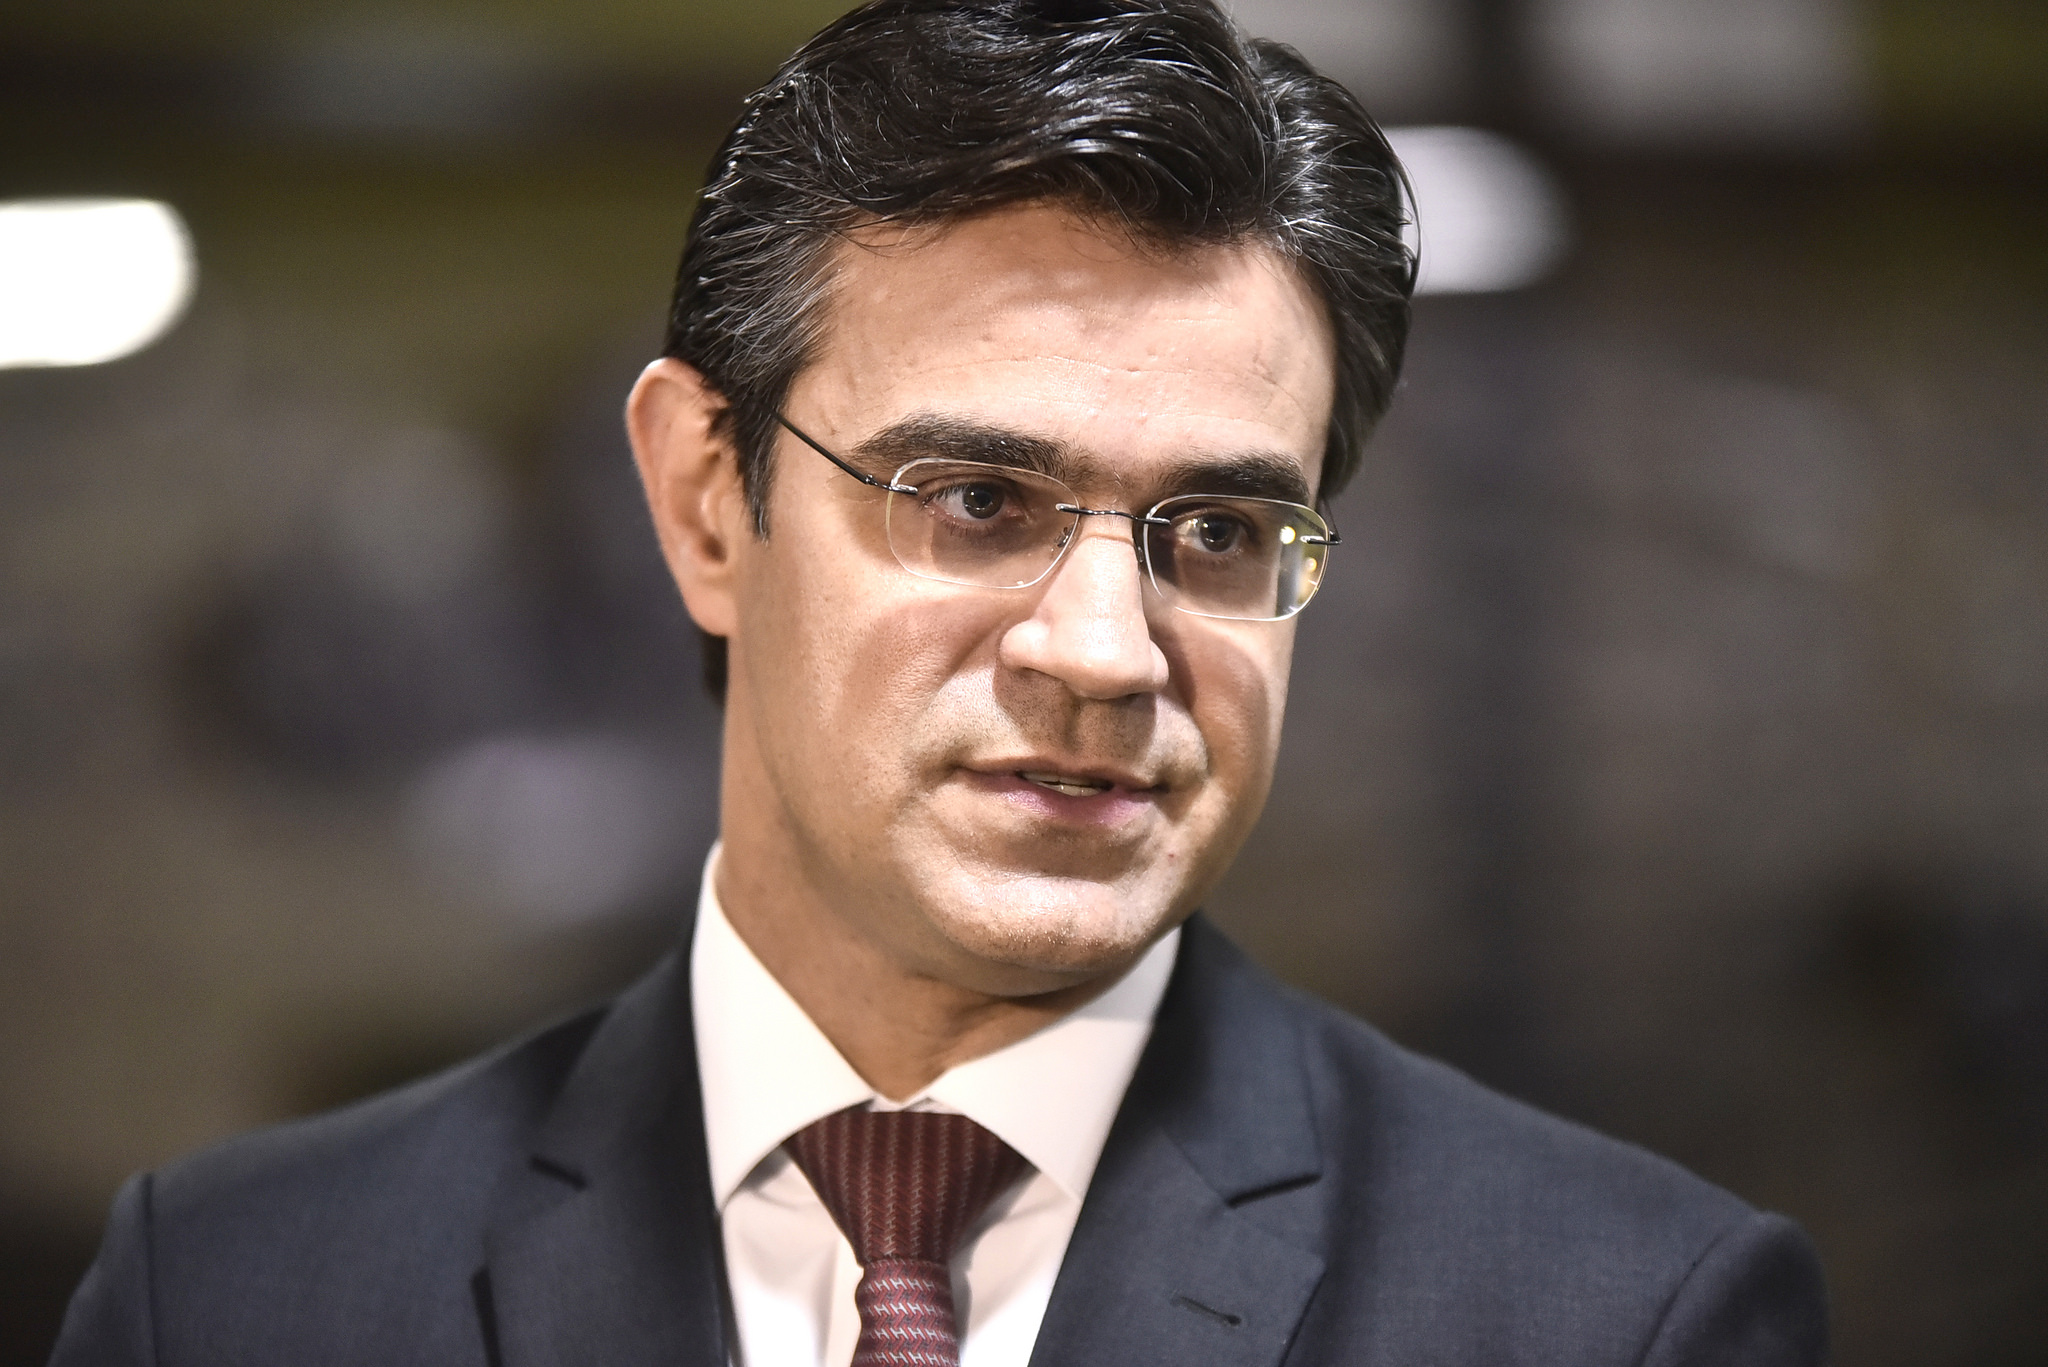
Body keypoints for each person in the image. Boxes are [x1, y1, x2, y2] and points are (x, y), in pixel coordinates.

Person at [51, 0, 1829, 1363]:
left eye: (1219, 531)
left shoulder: (1618, 1318)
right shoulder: (231, 1298)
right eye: (978, 501)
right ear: (703, 505)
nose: (1107, 652)